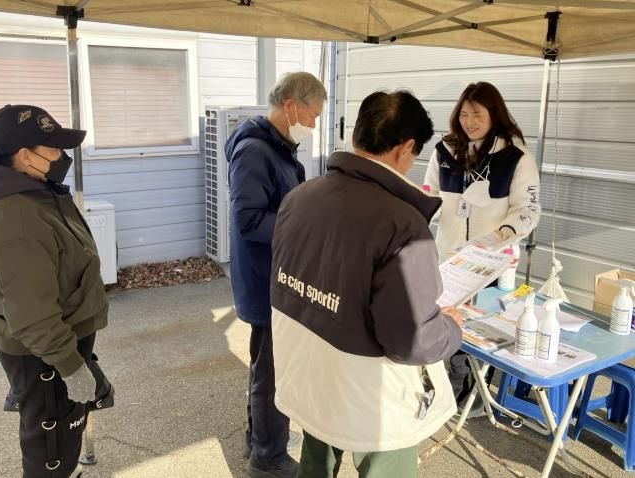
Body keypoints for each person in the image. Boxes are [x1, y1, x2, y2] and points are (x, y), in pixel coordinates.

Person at [270, 90, 463, 477]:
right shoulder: (402, 225)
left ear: (358, 133)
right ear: (405, 148)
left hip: (307, 367)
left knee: (315, 461)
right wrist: (450, 328)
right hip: (372, 395)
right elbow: (412, 340)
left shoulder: (299, 197)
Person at [0, 105, 113, 478]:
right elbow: (32, 314)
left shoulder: (36, 194)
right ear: (25, 156)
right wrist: (71, 366)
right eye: (53, 149)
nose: (61, 157)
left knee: (64, 443)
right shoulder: (15, 216)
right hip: (45, 355)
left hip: (56, 344)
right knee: (50, 453)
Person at [224, 72, 327, 478]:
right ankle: (268, 458)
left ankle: (259, 438)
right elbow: (249, 219)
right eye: (312, 114)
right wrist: (301, 226)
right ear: (290, 106)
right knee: (272, 370)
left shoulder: (276, 146)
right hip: (265, 276)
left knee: (265, 365)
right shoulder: (255, 150)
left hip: (272, 272)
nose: (314, 124)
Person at [424, 81, 541, 413]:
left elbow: (529, 209)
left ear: (494, 114)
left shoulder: (515, 156)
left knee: (479, 329)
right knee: (443, 319)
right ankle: (447, 384)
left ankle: (473, 392)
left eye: (478, 114)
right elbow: (431, 194)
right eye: (464, 114)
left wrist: (505, 232)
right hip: (448, 257)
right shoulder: (445, 150)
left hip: (491, 262)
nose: (469, 122)